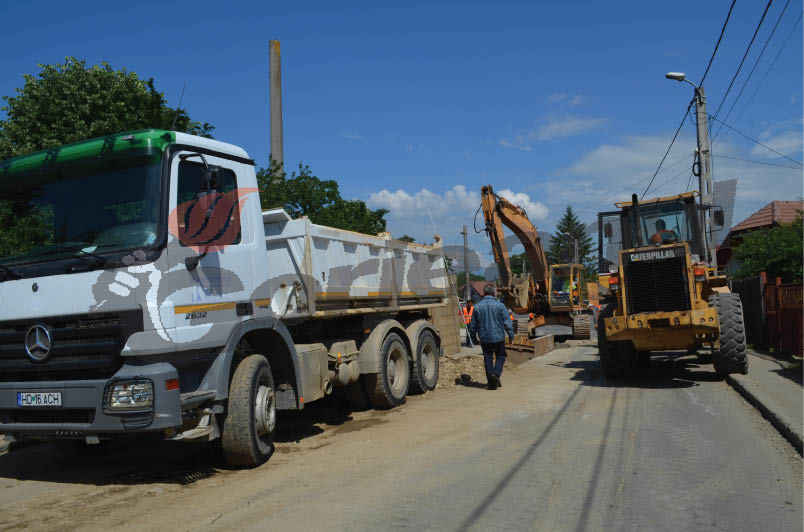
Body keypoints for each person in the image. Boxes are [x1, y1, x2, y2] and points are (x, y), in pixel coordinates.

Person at [468, 285, 514, 390]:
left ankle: (491, 383)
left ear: (484, 293)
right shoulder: (500, 306)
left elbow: (472, 326)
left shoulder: (477, 307)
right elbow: (507, 323)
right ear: (493, 293)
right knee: (501, 356)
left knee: (488, 358)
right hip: (499, 338)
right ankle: (496, 374)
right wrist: (511, 336)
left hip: (484, 338)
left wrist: (474, 339)